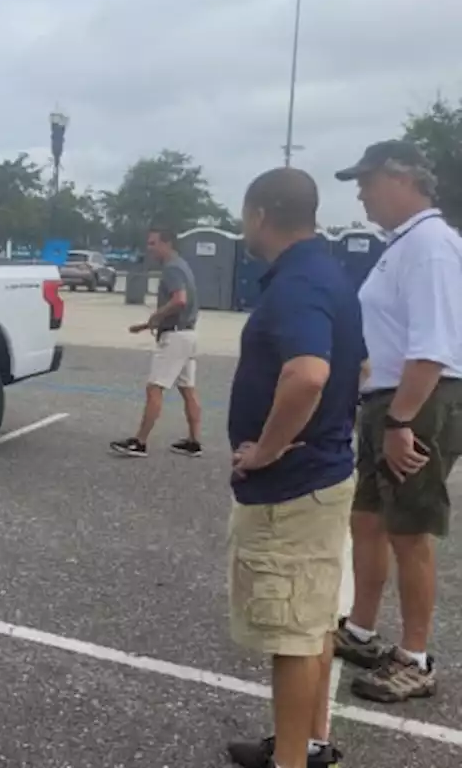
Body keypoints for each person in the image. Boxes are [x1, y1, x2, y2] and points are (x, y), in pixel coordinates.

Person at [224, 167, 362, 768]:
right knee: (314, 620)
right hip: (322, 477)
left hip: (294, 489)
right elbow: (357, 367)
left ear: (259, 214)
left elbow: (309, 373)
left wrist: (266, 449)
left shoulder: (296, 284)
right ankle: (301, 744)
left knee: (293, 634)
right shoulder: (327, 272)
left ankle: (290, 762)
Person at [330, 140, 462, 703]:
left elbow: (432, 348)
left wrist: (401, 420)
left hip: (417, 401)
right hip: (390, 401)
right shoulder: (403, 244)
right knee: (368, 518)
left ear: (402, 179)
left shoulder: (430, 246)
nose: (360, 193)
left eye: (367, 181)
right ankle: (360, 629)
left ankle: (414, 657)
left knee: (409, 529)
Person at [109, 227, 202, 457]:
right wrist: (147, 325)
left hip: (175, 337)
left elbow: (179, 300)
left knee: (154, 388)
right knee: (188, 390)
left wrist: (156, 316)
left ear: (167, 243)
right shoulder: (183, 265)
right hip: (189, 334)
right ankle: (194, 441)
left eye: (153, 243)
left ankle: (140, 442)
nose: (149, 248)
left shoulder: (171, 268)